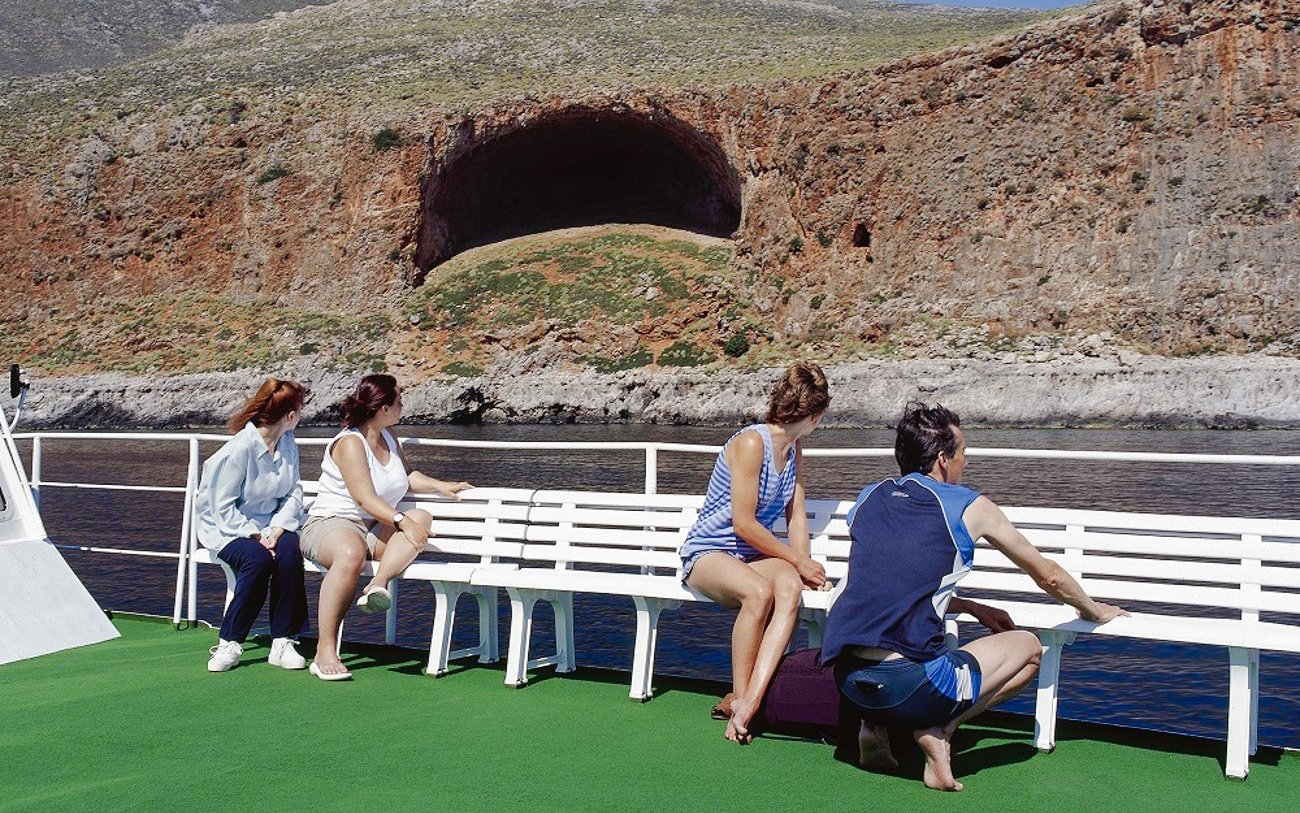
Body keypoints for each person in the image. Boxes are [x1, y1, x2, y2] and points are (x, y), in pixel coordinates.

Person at [821, 402, 1128, 791]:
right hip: (913, 687)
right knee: (1030, 649)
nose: (967, 460)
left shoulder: (868, 498)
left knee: (912, 650)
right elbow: (1048, 575)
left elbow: (893, 584)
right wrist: (1094, 609)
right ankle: (940, 730)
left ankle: (873, 726)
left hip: (848, 684)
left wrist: (970, 606)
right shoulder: (969, 506)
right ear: (944, 459)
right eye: (963, 451)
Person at [679, 361, 831, 744]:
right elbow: (743, 522)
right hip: (708, 553)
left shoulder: (794, 451)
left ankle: (754, 699)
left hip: (747, 557)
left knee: (790, 589)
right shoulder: (751, 443)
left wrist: (804, 569)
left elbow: (796, 514)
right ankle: (740, 699)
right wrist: (797, 560)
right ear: (815, 415)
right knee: (760, 592)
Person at [298, 374, 471, 681]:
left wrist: (441, 486)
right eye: (399, 401)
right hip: (329, 525)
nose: (403, 405)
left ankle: (378, 583)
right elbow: (364, 498)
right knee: (351, 553)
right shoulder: (350, 443)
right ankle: (324, 651)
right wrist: (401, 520)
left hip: (370, 529)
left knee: (422, 518)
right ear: (383, 408)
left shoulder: (388, 436)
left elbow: (407, 477)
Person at [195, 378, 309, 673]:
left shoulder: (286, 442)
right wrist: (257, 536)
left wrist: (279, 528)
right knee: (257, 561)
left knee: (289, 553)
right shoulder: (240, 449)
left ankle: (283, 640)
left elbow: (293, 491)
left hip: (272, 524)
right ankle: (229, 642)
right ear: (291, 415)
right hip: (227, 528)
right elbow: (222, 507)